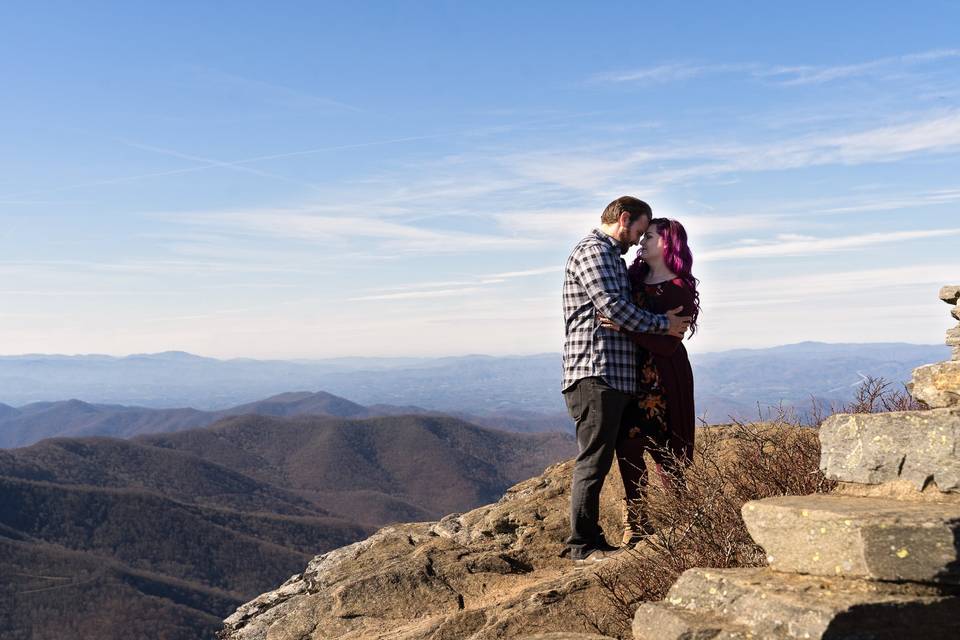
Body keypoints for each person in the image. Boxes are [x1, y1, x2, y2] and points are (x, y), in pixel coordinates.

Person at [562, 197, 691, 562]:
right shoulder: (594, 252)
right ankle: (582, 544)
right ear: (623, 219)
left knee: (602, 458)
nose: (637, 240)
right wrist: (663, 324)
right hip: (594, 371)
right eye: (638, 231)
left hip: (613, 375)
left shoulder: (614, 259)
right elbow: (612, 307)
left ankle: (592, 540)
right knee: (594, 460)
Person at [598, 218, 700, 545]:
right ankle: (637, 521)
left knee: (668, 452)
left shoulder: (680, 288)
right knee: (627, 447)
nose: (642, 240)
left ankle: (684, 519)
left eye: (650, 236)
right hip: (632, 379)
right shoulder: (634, 277)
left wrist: (623, 327)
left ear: (667, 244)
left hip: (667, 381)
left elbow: (668, 343)